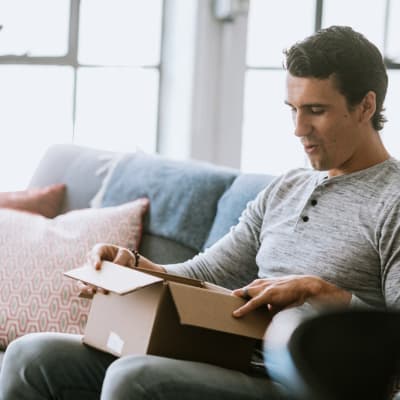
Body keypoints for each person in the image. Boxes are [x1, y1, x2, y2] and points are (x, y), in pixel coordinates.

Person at [1, 25, 399, 400]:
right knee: (29, 357)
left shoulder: (392, 200)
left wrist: (325, 295)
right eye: (292, 109)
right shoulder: (286, 188)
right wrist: (136, 268)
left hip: (306, 383)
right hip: (237, 356)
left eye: (315, 110)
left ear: (366, 105)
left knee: (134, 378)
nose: (298, 128)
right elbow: (207, 273)